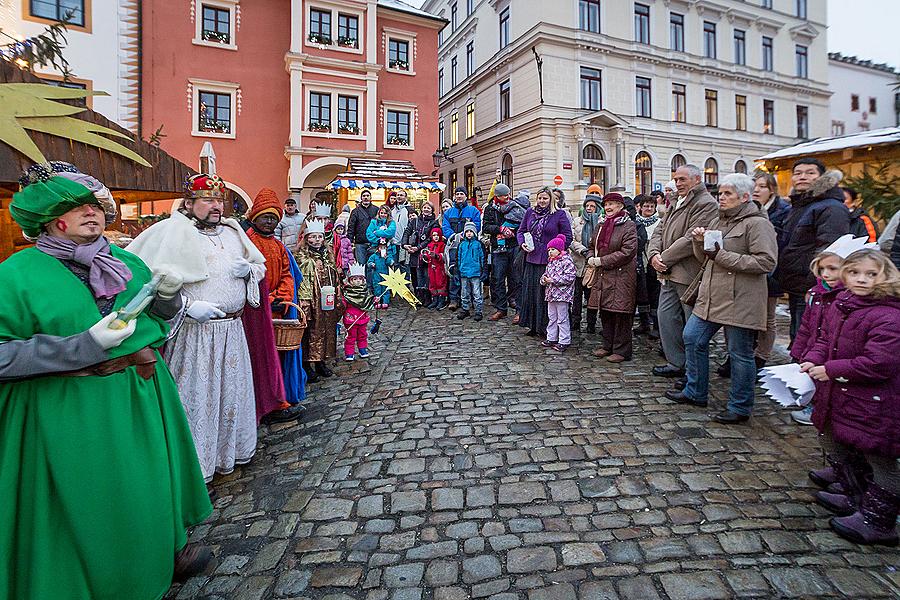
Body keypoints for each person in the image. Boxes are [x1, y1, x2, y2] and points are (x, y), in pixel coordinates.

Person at [1, 166, 213, 597]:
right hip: (66, 410)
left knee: (147, 490)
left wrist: (170, 299)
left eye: (94, 205)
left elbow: (157, 318)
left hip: (139, 396)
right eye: (75, 208)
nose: (91, 213)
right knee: (85, 506)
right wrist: (82, 345)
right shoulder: (15, 274)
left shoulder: (127, 262)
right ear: (49, 221)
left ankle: (161, 554)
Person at [128, 173, 265, 484]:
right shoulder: (171, 234)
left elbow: (258, 266)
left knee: (231, 397)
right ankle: (195, 469)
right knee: (197, 400)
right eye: (208, 200)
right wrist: (188, 308)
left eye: (219, 200)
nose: (216, 206)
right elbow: (153, 282)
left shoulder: (233, 233)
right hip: (195, 335)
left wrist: (250, 271)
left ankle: (227, 456)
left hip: (232, 332)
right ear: (189, 203)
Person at [799, 249, 900, 546]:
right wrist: (812, 359)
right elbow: (824, 340)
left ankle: (879, 521)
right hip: (843, 393)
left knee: (878, 458)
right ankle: (856, 497)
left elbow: (880, 363)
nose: (862, 280)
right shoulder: (842, 305)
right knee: (838, 440)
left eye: (871, 274)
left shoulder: (889, 315)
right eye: (855, 273)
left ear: (885, 276)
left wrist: (830, 369)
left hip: (876, 402)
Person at [666, 173, 778, 424]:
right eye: (721, 193)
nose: (721, 198)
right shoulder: (719, 220)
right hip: (712, 295)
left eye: (728, 194)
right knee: (692, 337)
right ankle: (696, 391)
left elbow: (766, 261)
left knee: (739, 353)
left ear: (745, 197)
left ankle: (740, 406)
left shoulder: (757, 224)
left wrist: (722, 256)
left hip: (741, 297)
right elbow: (706, 257)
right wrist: (698, 243)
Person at [788, 235, 878, 426]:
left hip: (837, 353)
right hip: (817, 345)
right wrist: (798, 352)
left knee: (828, 383)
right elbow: (806, 326)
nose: (826, 274)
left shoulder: (845, 298)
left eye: (832, 269)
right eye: (822, 269)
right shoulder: (816, 293)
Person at [647, 165, 718, 380]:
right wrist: (653, 255)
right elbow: (659, 230)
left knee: (691, 326)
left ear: (696, 179)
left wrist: (664, 258)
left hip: (689, 274)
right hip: (668, 272)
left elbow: (690, 239)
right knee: (666, 317)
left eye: (682, 179)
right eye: (676, 179)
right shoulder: (676, 201)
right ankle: (676, 362)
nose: (678, 183)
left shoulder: (705, 203)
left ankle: (692, 371)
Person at [244, 188, 306, 424]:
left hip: (279, 307)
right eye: (265, 217)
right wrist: (267, 300)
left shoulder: (278, 246)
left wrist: (282, 296)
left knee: (279, 358)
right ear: (256, 217)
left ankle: (281, 397)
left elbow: (287, 274)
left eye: (273, 218)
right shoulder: (248, 242)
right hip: (256, 311)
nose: (269, 222)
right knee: (261, 359)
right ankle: (267, 403)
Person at [775, 160, 850, 340]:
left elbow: (830, 250)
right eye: (798, 173)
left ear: (821, 177)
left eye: (810, 173)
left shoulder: (831, 206)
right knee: (798, 337)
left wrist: (815, 284)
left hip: (811, 287)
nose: (802, 177)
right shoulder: (801, 205)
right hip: (796, 284)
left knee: (807, 339)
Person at [587, 193, 638, 362]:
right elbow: (591, 245)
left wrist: (601, 261)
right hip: (604, 275)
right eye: (606, 204)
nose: (608, 207)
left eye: (613, 204)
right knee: (606, 311)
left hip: (622, 275)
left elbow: (628, 251)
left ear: (621, 206)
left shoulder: (628, 225)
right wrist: (589, 257)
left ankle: (622, 350)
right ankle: (607, 345)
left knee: (621, 313)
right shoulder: (602, 224)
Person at [516, 187, 574, 337]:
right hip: (531, 256)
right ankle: (533, 325)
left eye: (545, 198)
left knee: (546, 295)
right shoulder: (530, 212)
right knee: (532, 293)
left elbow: (567, 236)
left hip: (550, 261)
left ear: (551, 200)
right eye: (540, 198)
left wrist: (558, 251)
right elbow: (521, 231)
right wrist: (522, 243)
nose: (542, 201)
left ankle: (548, 329)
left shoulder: (559, 214)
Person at [294, 220, 342, 382]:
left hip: (326, 299)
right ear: (307, 239)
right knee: (311, 331)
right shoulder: (301, 256)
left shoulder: (327, 254)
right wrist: (305, 301)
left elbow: (334, 275)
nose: (317, 240)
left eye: (319, 236)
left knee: (326, 329)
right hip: (311, 298)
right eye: (313, 237)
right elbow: (302, 278)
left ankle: (321, 361)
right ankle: (307, 364)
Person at [482, 182, 529, 321]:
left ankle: (519, 310)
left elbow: (523, 223)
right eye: (504, 195)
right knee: (497, 279)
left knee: (516, 278)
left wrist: (513, 232)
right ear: (497, 196)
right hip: (498, 247)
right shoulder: (491, 209)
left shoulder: (515, 206)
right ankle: (501, 308)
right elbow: (486, 227)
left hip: (514, 245)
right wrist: (500, 229)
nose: (507, 197)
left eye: (508, 194)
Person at [442, 186, 482, 310]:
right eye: (457, 194)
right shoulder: (449, 212)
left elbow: (477, 225)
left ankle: (469, 298)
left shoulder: (473, 210)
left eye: (461, 194)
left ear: (466, 196)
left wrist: (465, 234)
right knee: (454, 270)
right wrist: (453, 236)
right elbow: (445, 226)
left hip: (468, 246)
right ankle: (454, 298)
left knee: (468, 271)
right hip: (454, 245)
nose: (459, 196)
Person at [570, 194, 602, 333]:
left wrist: (593, 253)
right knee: (576, 295)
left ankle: (591, 323)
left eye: (592, 206)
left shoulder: (602, 222)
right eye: (587, 206)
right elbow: (571, 239)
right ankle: (575, 321)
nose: (589, 209)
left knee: (591, 296)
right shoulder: (577, 221)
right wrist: (583, 250)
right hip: (578, 262)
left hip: (593, 265)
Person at [541, 234, 577, 352]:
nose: (550, 252)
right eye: (549, 250)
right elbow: (546, 274)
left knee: (562, 318)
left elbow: (570, 277)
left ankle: (564, 340)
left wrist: (553, 280)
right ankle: (551, 337)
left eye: (553, 249)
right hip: (551, 295)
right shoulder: (551, 262)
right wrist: (544, 280)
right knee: (552, 317)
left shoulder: (566, 261)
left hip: (562, 295)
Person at [634, 194, 660, 338]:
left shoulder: (659, 222)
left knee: (654, 295)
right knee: (641, 295)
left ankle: (656, 325)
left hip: (653, 264)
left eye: (651, 206)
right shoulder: (636, 222)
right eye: (646, 206)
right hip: (639, 263)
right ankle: (644, 323)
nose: (649, 209)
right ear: (641, 208)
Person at [403, 201, 437, 304]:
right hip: (414, 254)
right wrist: (404, 244)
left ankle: (427, 298)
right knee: (416, 276)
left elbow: (430, 238)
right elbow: (407, 232)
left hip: (426, 253)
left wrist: (418, 247)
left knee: (426, 276)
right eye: (424, 207)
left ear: (432, 210)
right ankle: (418, 297)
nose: (426, 209)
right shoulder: (415, 221)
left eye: (428, 208)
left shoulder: (434, 223)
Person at [456, 221, 487, 321]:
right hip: (464, 272)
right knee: (464, 293)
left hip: (476, 273)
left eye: (471, 231)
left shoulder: (478, 244)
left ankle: (478, 311)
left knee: (477, 293)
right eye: (467, 231)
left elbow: (483, 258)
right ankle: (465, 309)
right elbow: (458, 258)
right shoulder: (461, 245)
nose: (469, 233)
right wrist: (457, 271)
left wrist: (484, 271)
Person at [342, 264, 374, 361]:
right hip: (351, 319)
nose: (358, 281)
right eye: (355, 279)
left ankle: (362, 349)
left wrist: (374, 300)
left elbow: (369, 302)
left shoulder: (365, 292)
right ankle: (349, 353)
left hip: (362, 318)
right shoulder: (347, 293)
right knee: (351, 336)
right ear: (350, 280)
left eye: (360, 279)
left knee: (362, 335)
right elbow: (343, 304)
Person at [347, 189, 380, 266]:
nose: (366, 197)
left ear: (370, 198)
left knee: (373, 265)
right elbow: (351, 226)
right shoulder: (355, 211)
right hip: (360, 243)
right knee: (361, 265)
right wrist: (350, 241)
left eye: (367, 196)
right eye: (364, 196)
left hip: (373, 243)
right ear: (361, 198)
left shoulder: (376, 210)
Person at [423, 227, 449, 309]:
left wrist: (437, 256)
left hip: (439, 268)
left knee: (440, 283)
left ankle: (442, 299)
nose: (436, 237)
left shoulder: (443, 245)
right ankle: (435, 299)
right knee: (432, 283)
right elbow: (427, 254)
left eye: (438, 235)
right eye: (434, 235)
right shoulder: (430, 245)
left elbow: (444, 256)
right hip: (431, 267)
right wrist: (425, 257)